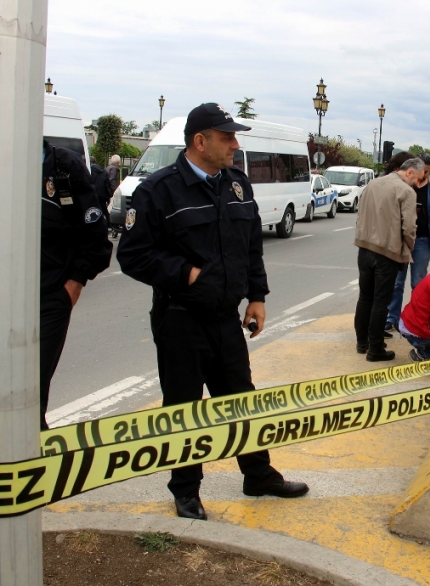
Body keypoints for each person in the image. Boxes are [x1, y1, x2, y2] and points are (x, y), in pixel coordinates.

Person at [117, 103, 309, 521]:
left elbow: (250, 246)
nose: (235, 146)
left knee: (241, 399)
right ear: (199, 141)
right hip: (180, 318)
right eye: (227, 138)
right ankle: (185, 490)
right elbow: (131, 255)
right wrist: (185, 273)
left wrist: (257, 295)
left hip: (226, 317)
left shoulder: (236, 184)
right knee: (184, 407)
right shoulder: (158, 190)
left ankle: (258, 475)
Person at [0, 140, 112, 429]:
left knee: (29, 393)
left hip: (49, 296)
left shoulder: (64, 166)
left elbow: (93, 232)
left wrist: (74, 284)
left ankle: (31, 461)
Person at [353, 157, 426, 361]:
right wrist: (408, 249)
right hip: (387, 252)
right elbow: (410, 227)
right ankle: (375, 349)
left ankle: (362, 342)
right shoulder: (406, 192)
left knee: (365, 297)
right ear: (409, 172)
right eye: (418, 179)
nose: (418, 184)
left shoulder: (373, 183)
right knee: (381, 301)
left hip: (364, 247)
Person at [385, 155, 430, 332]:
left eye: (426, 171)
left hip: (423, 240)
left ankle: (415, 318)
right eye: (421, 171)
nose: (422, 175)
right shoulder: (404, 183)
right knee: (397, 282)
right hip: (401, 239)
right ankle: (392, 317)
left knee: (418, 282)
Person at [89, 155, 114, 225]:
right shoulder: (103, 170)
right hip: (103, 194)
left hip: (94, 193)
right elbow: (107, 182)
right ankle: (109, 224)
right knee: (104, 210)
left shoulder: (89, 171)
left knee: (93, 210)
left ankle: (97, 223)